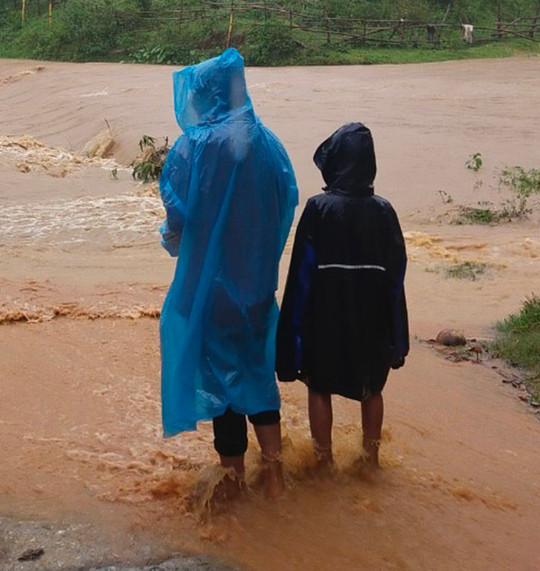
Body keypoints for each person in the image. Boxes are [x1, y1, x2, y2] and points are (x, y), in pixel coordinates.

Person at [158, 47, 298, 499]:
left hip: (209, 290)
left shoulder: (191, 147)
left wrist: (173, 240)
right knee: (256, 372)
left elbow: (177, 216)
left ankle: (235, 481)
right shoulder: (269, 142)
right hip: (256, 285)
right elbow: (286, 202)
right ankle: (276, 476)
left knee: (220, 385)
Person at [276, 122, 408, 473]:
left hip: (326, 315)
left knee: (319, 385)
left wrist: (292, 333)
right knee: (372, 387)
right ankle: (371, 460)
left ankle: (323, 462)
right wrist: (398, 333)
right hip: (373, 316)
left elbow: (301, 275)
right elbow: (397, 276)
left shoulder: (319, 208)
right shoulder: (384, 211)